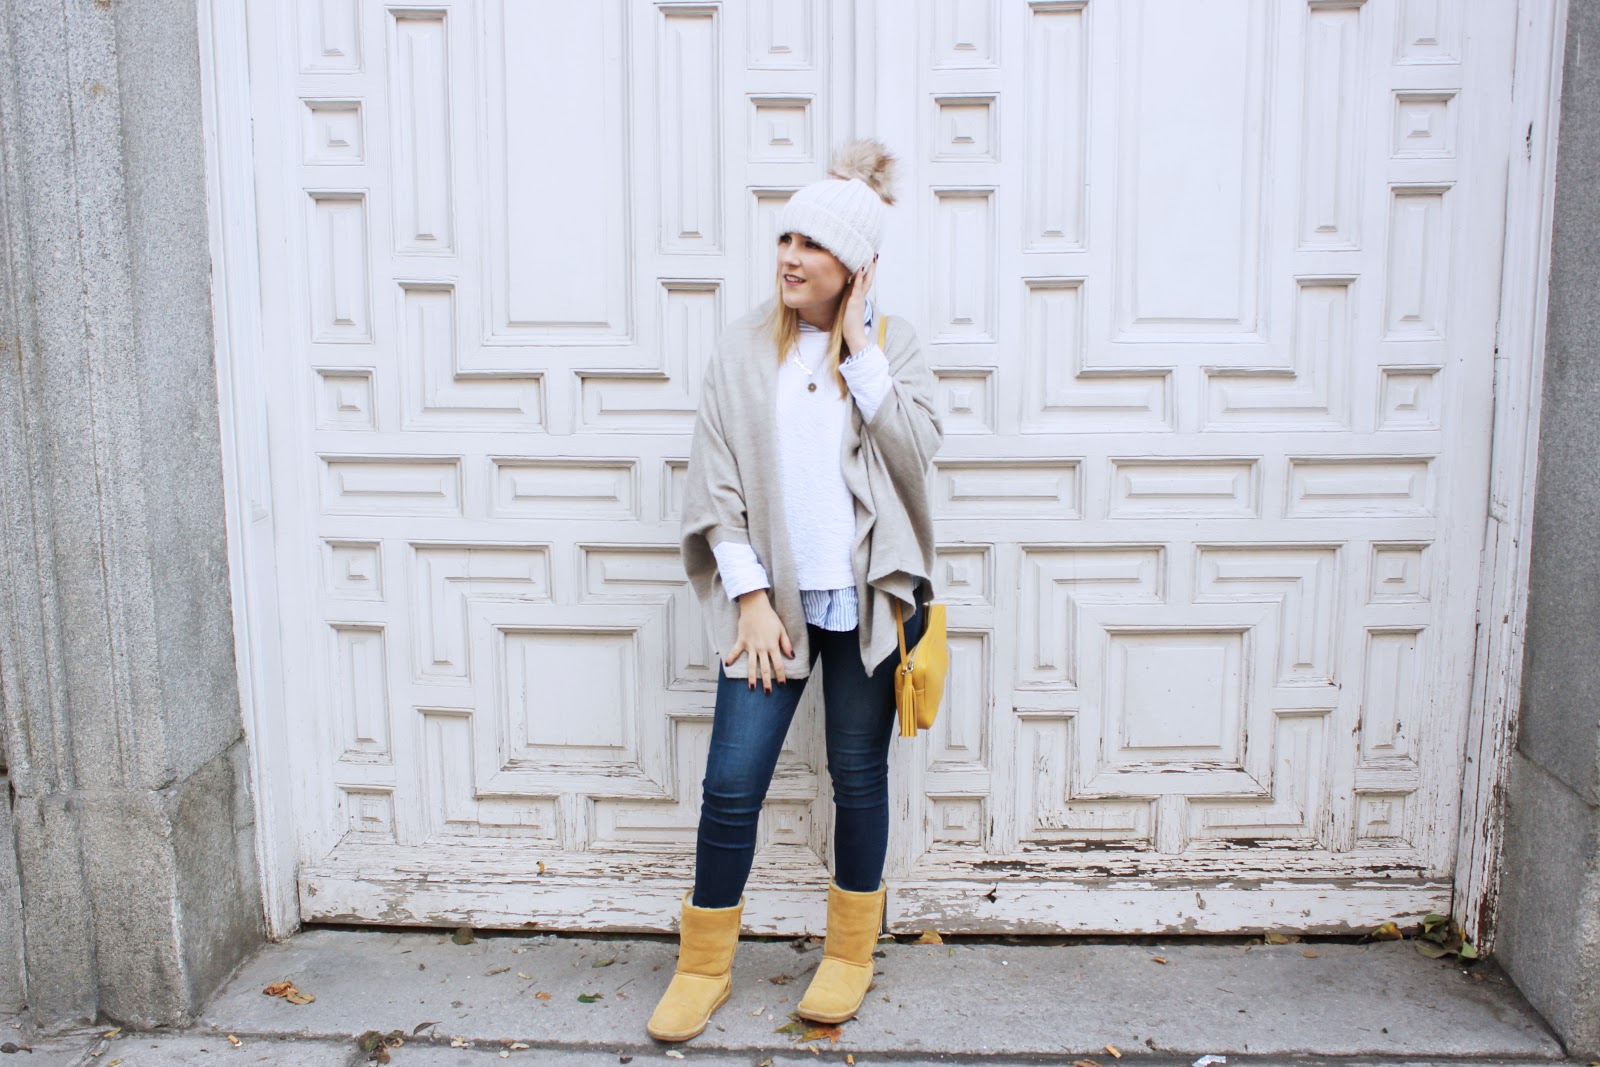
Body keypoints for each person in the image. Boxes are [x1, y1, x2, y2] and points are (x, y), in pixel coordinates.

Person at [645, 139, 943, 1042]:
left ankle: (849, 954)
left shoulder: (892, 347)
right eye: (786, 237)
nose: (790, 256)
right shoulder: (742, 349)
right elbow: (715, 483)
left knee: (858, 777)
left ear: (854, 265)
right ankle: (703, 966)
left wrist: (860, 353)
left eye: (813, 243)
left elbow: (916, 456)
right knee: (732, 783)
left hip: (861, 603)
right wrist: (749, 599)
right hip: (769, 606)